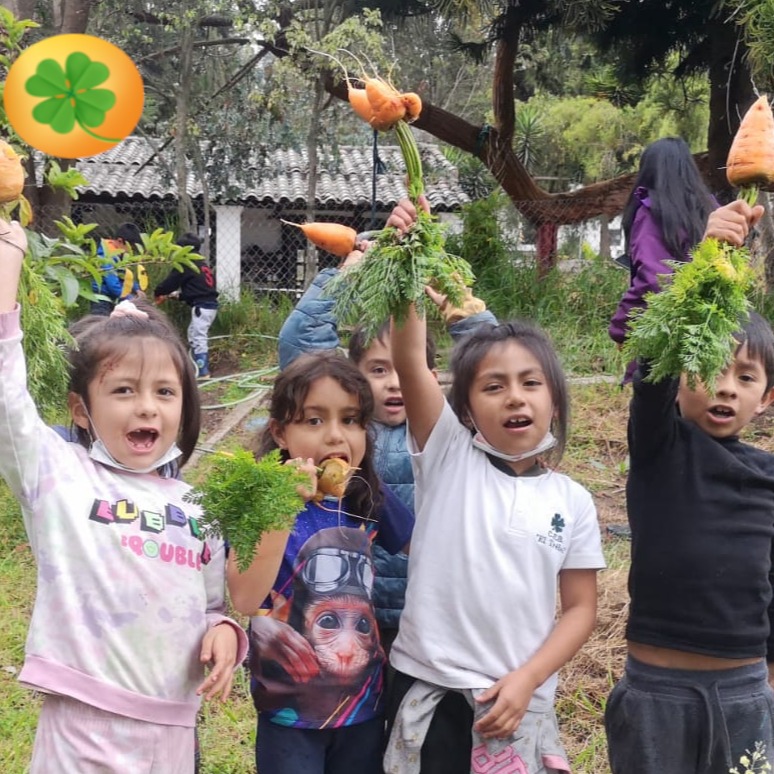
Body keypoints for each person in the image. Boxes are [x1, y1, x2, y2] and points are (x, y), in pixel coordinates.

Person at [0, 218, 248, 773]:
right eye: (123, 391)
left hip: (170, 728)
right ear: (81, 410)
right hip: (81, 721)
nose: (147, 407)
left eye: (164, 391)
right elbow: (6, 395)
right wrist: (7, 262)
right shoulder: (58, 475)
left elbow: (208, 606)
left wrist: (226, 634)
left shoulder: (197, 510)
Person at [381, 201, 605, 774]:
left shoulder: (571, 500)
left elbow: (580, 610)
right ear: (465, 408)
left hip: (516, 701)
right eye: (493, 386)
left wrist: (528, 678)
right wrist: (404, 256)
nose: (515, 397)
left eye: (531, 383)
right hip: (428, 689)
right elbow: (409, 357)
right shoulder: (450, 453)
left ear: (554, 398)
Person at [604, 199, 774, 774]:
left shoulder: (770, 478)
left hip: (747, 691)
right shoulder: (661, 447)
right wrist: (705, 259)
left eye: (745, 377)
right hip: (658, 691)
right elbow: (651, 362)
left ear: (767, 396)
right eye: (708, 368)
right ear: (679, 376)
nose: (726, 388)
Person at [277, 236, 496, 654]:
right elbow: (300, 346)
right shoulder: (350, 438)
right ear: (354, 378)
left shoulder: (448, 434)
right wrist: (345, 276)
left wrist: (469, 317)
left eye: (405, 370)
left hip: (434, 612)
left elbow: (496, 373)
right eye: (378, 370)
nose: (395, 382)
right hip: (358, 613)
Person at [226, 350, 415, 774]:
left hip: (363, 705)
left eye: (350, 420)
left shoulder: (366, 497)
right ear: (279, 432)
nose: (335, 437)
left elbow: (422, 547)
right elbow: (244, 596)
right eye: (314, 420)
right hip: (287, 711)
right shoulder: (260, 502)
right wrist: (280, 504)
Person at [609, 138, 717, 383]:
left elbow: (655, 280)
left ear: (647, 170)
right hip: (708, 335)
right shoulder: (711, 209)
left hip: (662, 339)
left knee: (656, 415)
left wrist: (621, 328)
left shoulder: (650, 212)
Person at [154, 232, 219, 380]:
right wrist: (178, 296)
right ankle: (194, 366)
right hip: (208, 305)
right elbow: (198, 290)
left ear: (182, 249)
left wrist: (159, 291)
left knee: (198, 337)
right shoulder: (202, 265)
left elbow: (170, 282)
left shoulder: (185, 264)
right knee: (193, 334)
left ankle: (203, 372)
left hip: (202, 307)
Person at [90, 222, 146, 316]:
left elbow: (125, 276)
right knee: (100, 321)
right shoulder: (107, 256)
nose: (130, 251)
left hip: (114, 296)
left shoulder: (120, 254)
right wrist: (129, 297)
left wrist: (136, 289)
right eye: (129, 247)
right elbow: (112, 283)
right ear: (120, 241)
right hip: (101, 298)